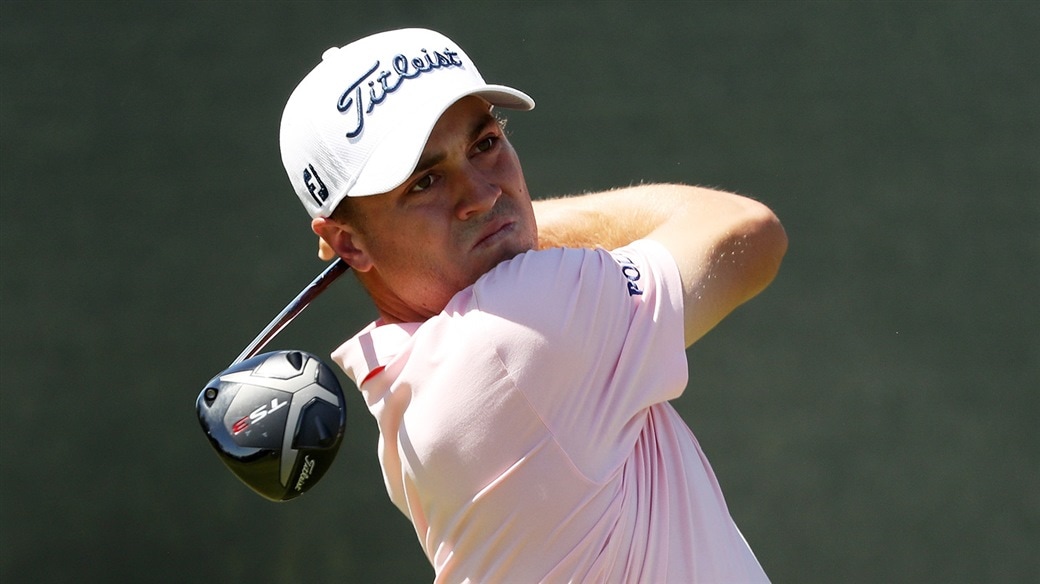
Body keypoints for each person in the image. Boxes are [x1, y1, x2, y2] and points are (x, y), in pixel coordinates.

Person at [279, 28, 787, 583]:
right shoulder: (513, 332)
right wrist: (511, 228)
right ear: (349, 243)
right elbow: (749, 233)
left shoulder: (408, 379)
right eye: (425, 182)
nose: (482, 194)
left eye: (485, 145)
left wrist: (490, 230)